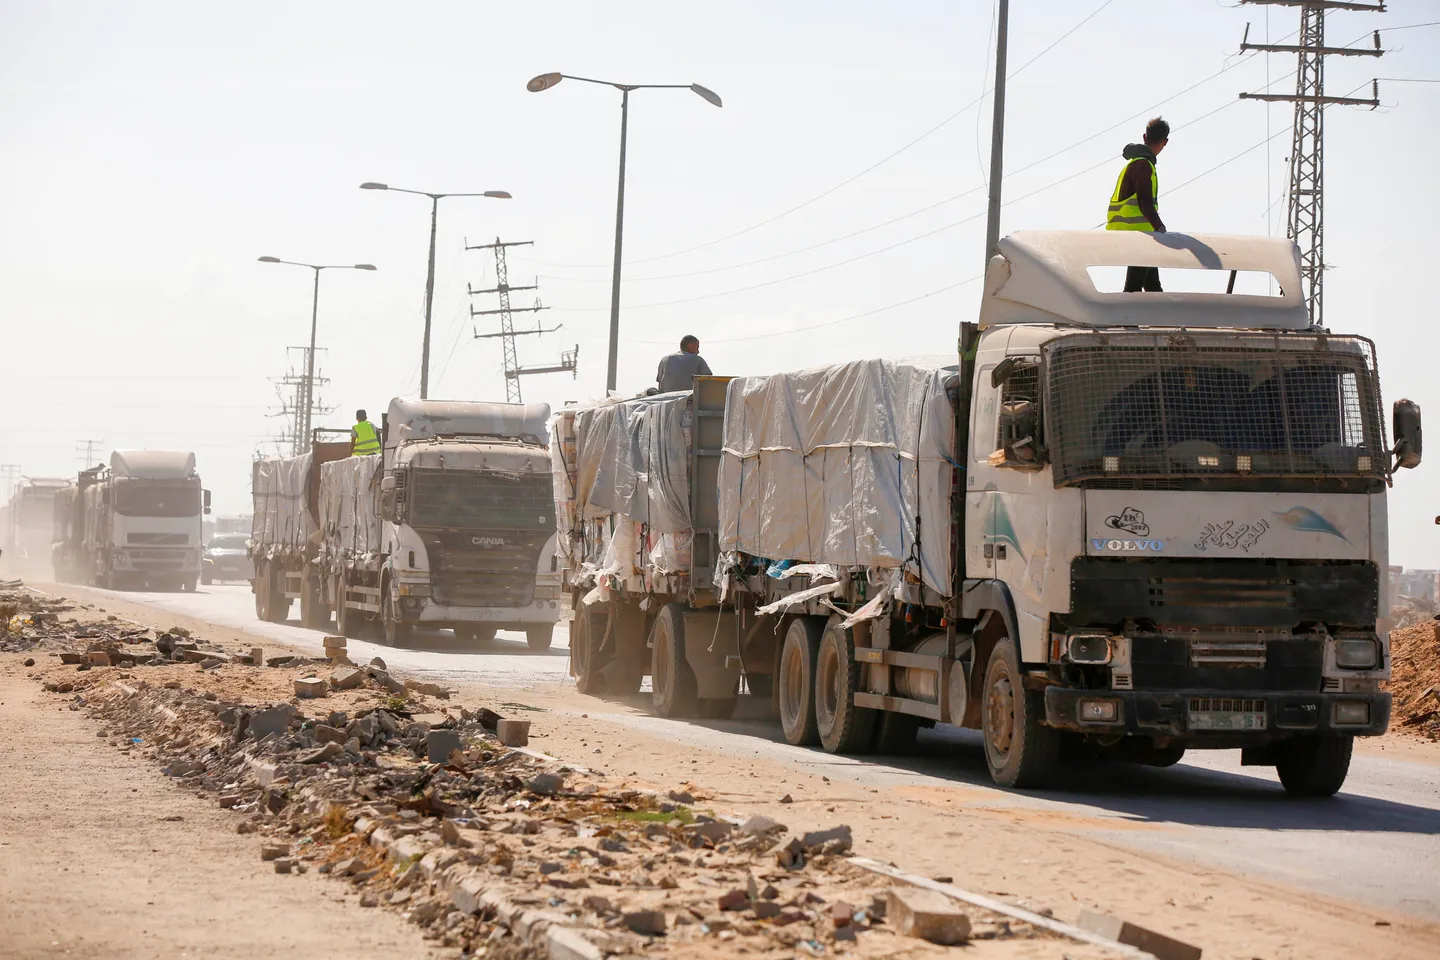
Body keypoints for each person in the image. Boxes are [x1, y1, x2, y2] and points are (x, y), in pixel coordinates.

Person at [1106, 116, 1169, 292]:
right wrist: (1160, 228)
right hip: (1140, 236)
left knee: (1152, 286)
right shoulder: (1143, 165)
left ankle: (1158, 319)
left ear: (1144, 137)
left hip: (1136, 234)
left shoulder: (1136, 164)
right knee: (1134, 288)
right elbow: (1145, 203)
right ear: (1164, 142)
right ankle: (1126, 319)